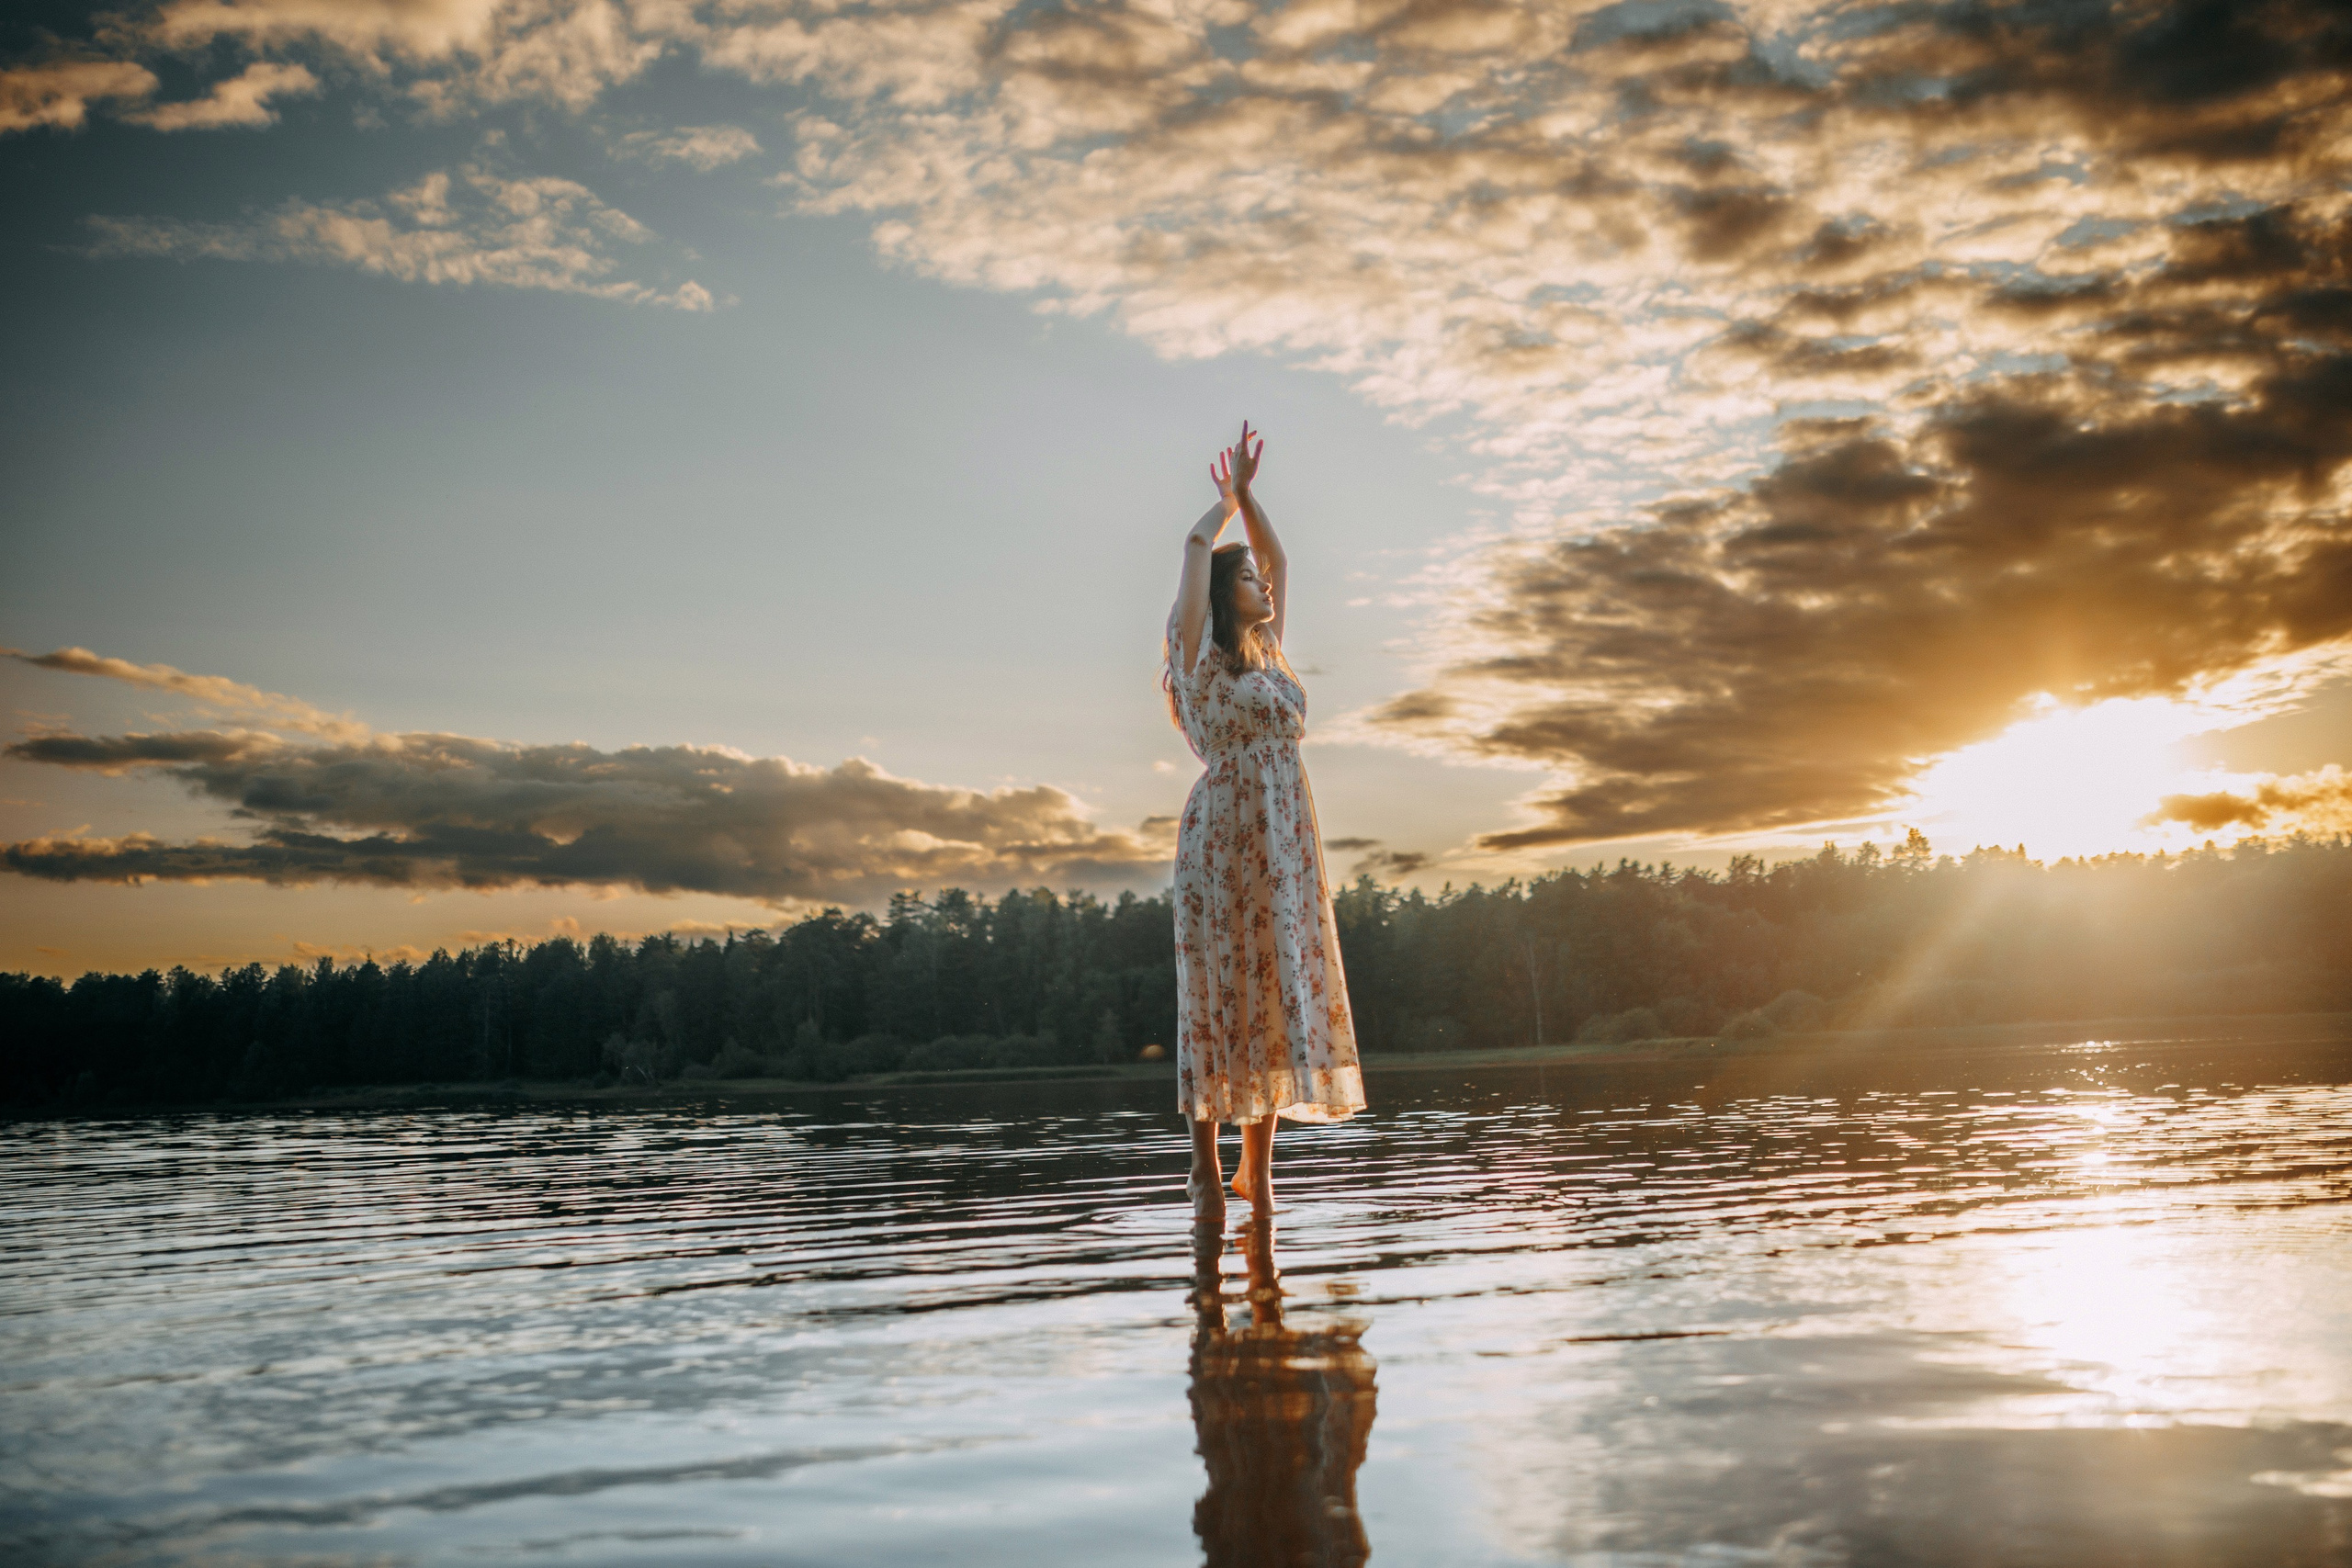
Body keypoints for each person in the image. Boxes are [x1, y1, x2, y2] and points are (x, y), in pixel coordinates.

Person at [1164, 421, 1366, 1219]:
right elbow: (1191, 545)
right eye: (1246, 576)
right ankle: (1205, 1168)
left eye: (1258, 574)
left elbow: (1283, 561)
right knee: (1218, 994)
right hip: (1222, 840)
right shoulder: (1198, 657)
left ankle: (1260, 1170)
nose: (1264, 583)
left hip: (1283, 845)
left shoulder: (1266, 652)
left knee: (1275, 987)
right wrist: (1221, 509)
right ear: (1222, 594)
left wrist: (1252, 497)